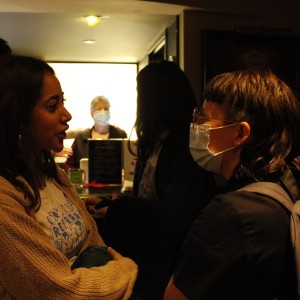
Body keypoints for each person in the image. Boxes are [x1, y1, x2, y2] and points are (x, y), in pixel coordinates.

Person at [0, 55, 137, 299]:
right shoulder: (6, 198)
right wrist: (125, 270)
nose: (67, 115)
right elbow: (58, 290)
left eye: (63, 102)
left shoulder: (53, 174)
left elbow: (94, 241)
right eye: (53, 106)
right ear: (18, 118)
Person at [164, 70, 300, 300]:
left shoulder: (231, 214)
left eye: (204, 119)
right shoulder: (286, 190)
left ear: (240, 133)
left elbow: (174, 297)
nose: (196, 127)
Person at [95, 60, 217, 300]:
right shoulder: (158, 142)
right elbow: (149, 200)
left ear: (155, 98)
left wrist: (117, 210)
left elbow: (175, 217)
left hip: (172, 270)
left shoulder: (185, 147)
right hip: (158, 264)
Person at [64, 95, 127, 169]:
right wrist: (80, 176)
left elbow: (129, 164)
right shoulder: (81, 138)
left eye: (106, 109)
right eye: (99, 109)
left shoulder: (121, 135)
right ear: (92, 113)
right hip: (87, 180)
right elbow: (69, 166)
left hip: (115, 180)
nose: (103, 112)